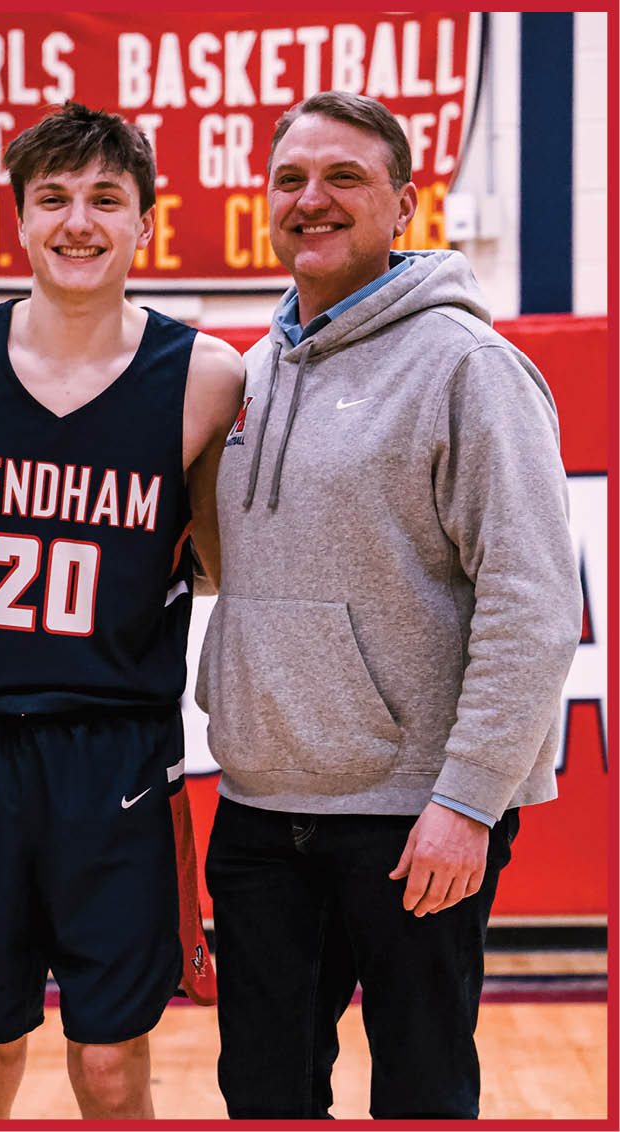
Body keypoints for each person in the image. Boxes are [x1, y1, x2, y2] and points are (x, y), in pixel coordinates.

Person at [196, 91, 583, 1120]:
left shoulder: (470, 366)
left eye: (343, 178)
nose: (310, 200)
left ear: (402, 206)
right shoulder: (245, 373)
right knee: (262, 1096)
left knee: (419, 1094)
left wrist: (467, 799)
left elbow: (535, 600)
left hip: (412, 819)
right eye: (290, 179)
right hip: (258, 809)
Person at [0, 101, 243, 1120]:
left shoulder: (206, 377)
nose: (78, 221)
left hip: (118, 760)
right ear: (18, 218)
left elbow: (223, 564)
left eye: (106, 198)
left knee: (107, 1061)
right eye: (52, 198)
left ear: (148, 220)